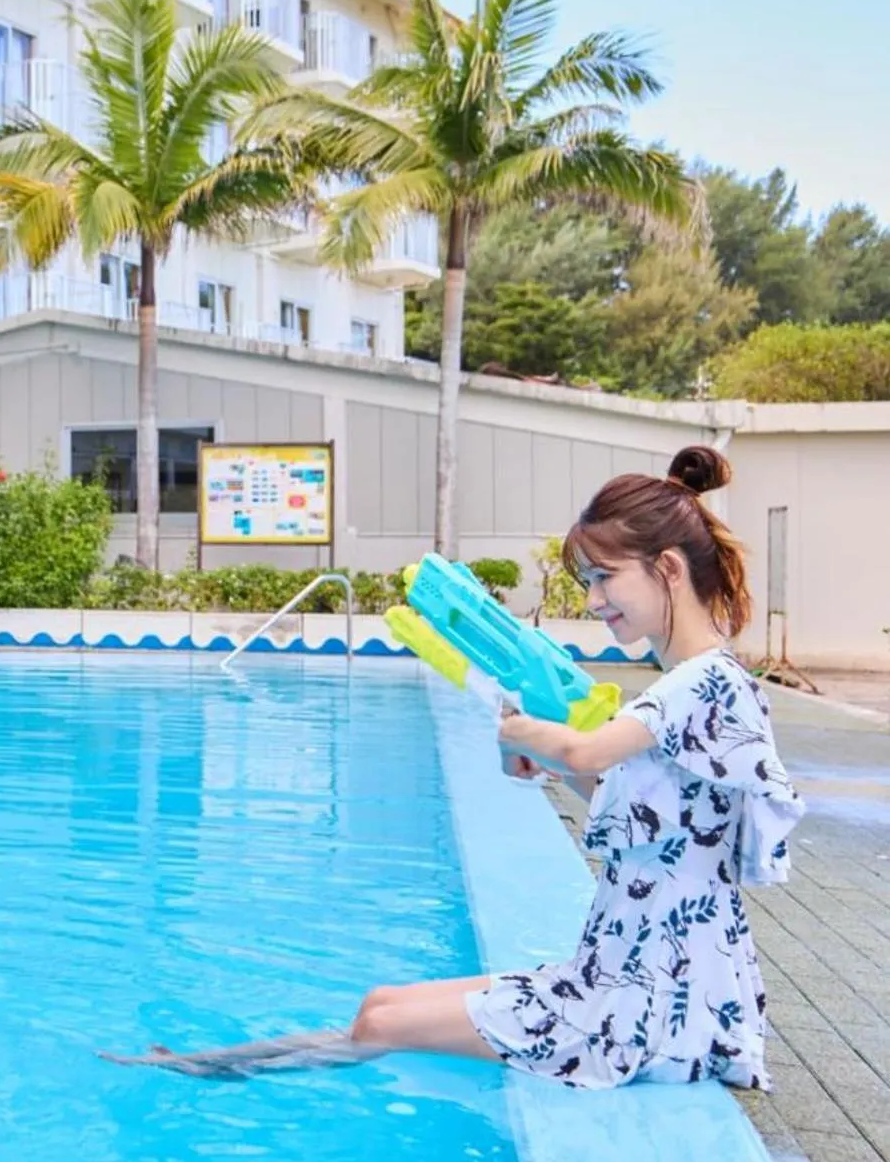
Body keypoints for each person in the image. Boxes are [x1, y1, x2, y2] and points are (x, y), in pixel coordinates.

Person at [111, 445, 804, 1089]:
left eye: (604, 578)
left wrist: (530, 732)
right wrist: (529, 747)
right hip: (622, 978)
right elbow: (621, 796)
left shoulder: (704, 681)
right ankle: (215, 1064)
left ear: (669, 568)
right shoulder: (693, 685)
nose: (594, 600)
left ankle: (211, 1074)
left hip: (640, 1009)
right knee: (380, 1005)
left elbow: (585, 751)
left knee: (382, 1024)